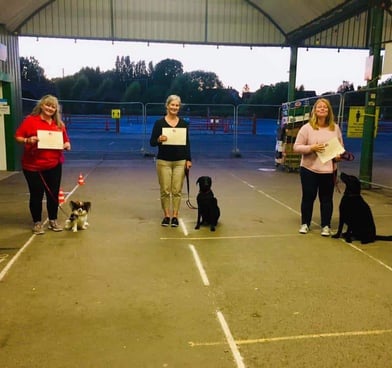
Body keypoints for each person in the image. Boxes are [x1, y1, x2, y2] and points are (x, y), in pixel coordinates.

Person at [15, 94, 71, 235]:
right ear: (41, 105)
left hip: (54, 164)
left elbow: (66, 140)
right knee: (36, 194)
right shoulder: (30, 121)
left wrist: (67, 144)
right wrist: (28, 140)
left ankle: (53, 220)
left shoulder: (59, 125)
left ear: (56, 110)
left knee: (52, 194)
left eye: (53, 107)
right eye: (47, 105)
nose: (50, 108)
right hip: (33, 166)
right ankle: (37, 223)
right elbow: (18, 136)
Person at [293, 98, 344, 236]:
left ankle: (326, 225)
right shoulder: (307, 128)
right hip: (309, 169)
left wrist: (339, 156)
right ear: (314, 110)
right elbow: (296, 147)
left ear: (329, 111)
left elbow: (340, 148)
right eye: (319, 107)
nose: (322, 109)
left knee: (326, 199)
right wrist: (312, 147)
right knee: (308, 197)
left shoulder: (335, 128)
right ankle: (305, 223)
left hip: (328, 171)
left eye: (325, 107)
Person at [150, 95, 192, 227]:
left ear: (179, 108)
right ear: (167, 106)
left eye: (177, 105)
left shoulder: (184, 124)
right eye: (172, 105)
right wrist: (158, 139)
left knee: (177, 190)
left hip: (180, 161)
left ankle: (175, 216)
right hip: (164, 161)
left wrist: (188, 159)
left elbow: (187, 143)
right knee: (165, 190)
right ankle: (166, 215)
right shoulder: (159, 123)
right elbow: (151, 142)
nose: (174, 107)